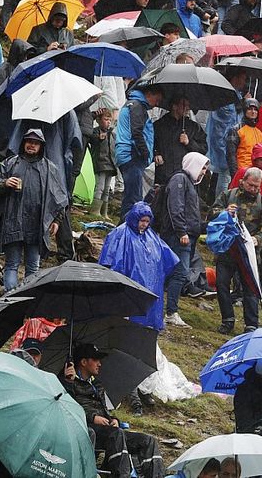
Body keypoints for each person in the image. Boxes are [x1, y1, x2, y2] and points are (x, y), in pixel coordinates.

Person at [60, 343, 163, 478]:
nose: (100, 364)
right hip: (84, 429)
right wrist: (92, 417)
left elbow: (104, 411)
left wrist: (114, 420)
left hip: (107, 430)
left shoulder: (97, 384)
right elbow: (65, 409)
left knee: (148, 441)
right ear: (84, 362)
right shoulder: (66, 381)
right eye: (95, 359)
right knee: (117, 434)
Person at [0, 129, 69, 291]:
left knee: (33, 267)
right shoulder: (10, 163)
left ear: (41, 146)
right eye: (29, 141)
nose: (32, 145)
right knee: (11, 264)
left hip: (38, 224)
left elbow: (60, 197)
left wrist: (56, 220)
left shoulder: (50, 168)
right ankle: (10, 299)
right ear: (23, 143)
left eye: (36, 142)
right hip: (13, 222)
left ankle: (27, 301)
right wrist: (4, 183)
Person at [211, 168, 262, 334]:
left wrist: (257, 239)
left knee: (250, 288)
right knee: (221, 284)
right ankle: (227, 319)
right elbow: (212, 213)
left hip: (249, 253)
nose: (253, 189)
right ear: (243, 181)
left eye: (256, 186)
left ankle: (251, 324)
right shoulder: (228, 196)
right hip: (227, 249)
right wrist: (225, 213)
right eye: (251, 185)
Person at [99, 202, 178, 332]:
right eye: (142, 221)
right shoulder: (120, 233)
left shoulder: (150, 236)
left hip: (149, 283)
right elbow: (108, 258)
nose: (144, 224)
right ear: (135, 218)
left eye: (147, 222)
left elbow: (165, 257)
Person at [230, 144, 262, 308]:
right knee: (241, 261)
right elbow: (232, 192)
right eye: (261, 159)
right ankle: (238, 295)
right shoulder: (245, 172)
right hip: (245, 224)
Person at [161, 152, 210, 326]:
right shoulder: (180, 180)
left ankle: (165, 309)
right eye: (203, 167)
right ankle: (171, 312)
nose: (204, 171)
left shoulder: (190, 184)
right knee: (179, 273)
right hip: (178, 237)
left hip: (187, 236)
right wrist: (182, 232)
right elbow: (176, 208)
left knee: (173, 274)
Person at [116, 86, 165, 218]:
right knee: (133, 199)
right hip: (132, 156)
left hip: (127, 155)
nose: (157, 104)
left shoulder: (133, 104)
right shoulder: (137, 106)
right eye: (157, 100)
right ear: (149, 94)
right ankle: (126, 232)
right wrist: (145, 154)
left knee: (131, 196)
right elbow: (136, 133)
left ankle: (125, 230)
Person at [153, 95, 207, 186]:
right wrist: (155, 154)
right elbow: (150, 144)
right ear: (174, 106)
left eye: (188, 105)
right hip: (163, 176)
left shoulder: (194, 127)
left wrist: (189, 143)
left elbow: (203, 149)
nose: (188, 108)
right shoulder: (159, 125)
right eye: (184, 105)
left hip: (186, 177)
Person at [227, 98, 262, 172]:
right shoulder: (236, 130)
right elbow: (231, 155)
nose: (253, 112)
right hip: (242, 170)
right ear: (245, 111)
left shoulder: (260, 134)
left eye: (255, 110)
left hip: (256, 172)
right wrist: (235, 174)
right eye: (250, 109)